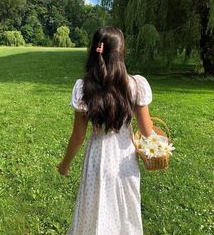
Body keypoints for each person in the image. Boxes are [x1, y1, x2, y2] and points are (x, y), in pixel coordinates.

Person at [57, 26, 153, 235]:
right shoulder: (136, 85)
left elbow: (78, 136)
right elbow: (147, 132)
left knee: (94, 213)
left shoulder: (84, 87)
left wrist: (65, 164)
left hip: (97, 160)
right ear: (121, 51)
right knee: (125, 213)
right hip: (125, 161)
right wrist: (160, 142)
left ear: (94, 50)